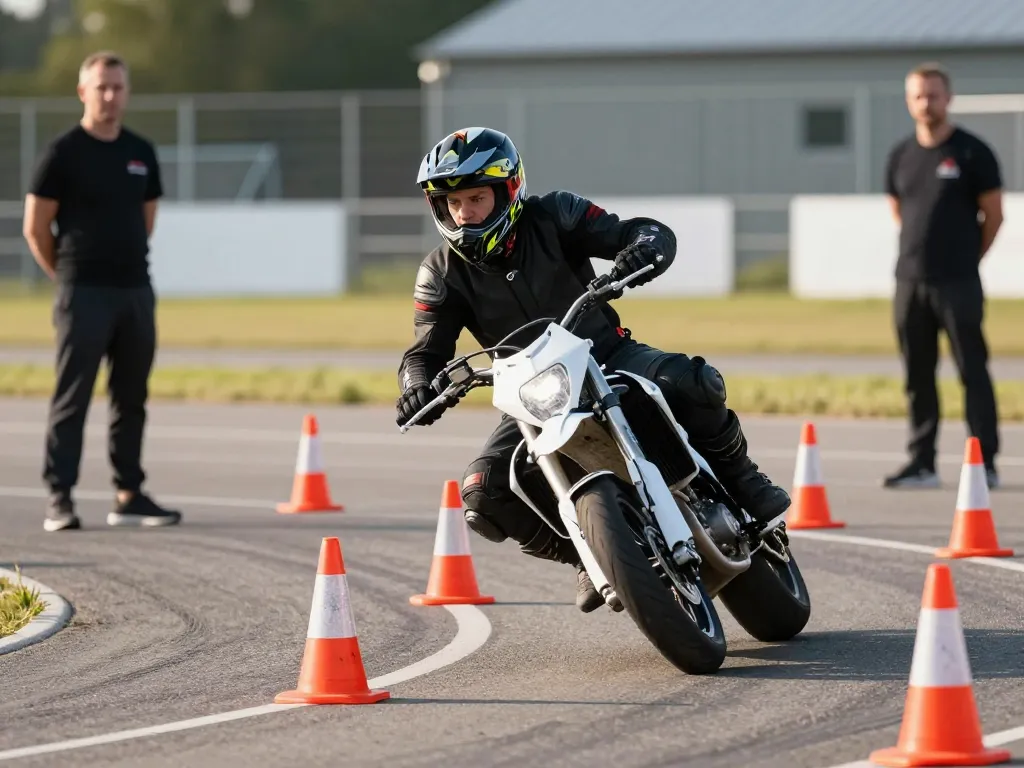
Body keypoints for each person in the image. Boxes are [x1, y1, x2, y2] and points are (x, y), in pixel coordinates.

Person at [395, 127, 791, 612]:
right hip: (532, 393)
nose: (465, 213)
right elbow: (424, 353)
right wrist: (417, 385)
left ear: (509, 190)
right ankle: (589, 552)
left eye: (476, 198)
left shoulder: (556, 213)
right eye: (452, 203)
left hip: (605, 354)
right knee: (483, 495)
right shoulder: (439, 271)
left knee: (690, 382)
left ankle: (743, 479)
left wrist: (643, 247)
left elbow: (636, 232)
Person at [21, 51, 182, 532]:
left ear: (126, 92)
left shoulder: (140, 152)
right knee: (73, 397)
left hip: (134, 290)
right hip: (82, 292)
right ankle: (60, 497)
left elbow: (146, 220)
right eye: (101, 87)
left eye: (118, 87)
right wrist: (67, 276)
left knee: (131, 396)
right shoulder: (63, 152)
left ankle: (128, 493)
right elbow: (36, 227)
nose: (110, 95)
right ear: (83, 92)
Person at [882, 62, 1004, 491]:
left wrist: (969, 258)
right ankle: (922, 462)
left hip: (958, 283)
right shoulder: (900, 155)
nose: (925, 103)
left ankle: (984, 460)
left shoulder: (973, 152)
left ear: (947, 98)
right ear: (908, 101)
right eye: (918, 95)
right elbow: (899, 211)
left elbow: (993, 216)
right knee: (917, 375)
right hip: (910, 282)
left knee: (973, 371)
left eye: (933, 94)